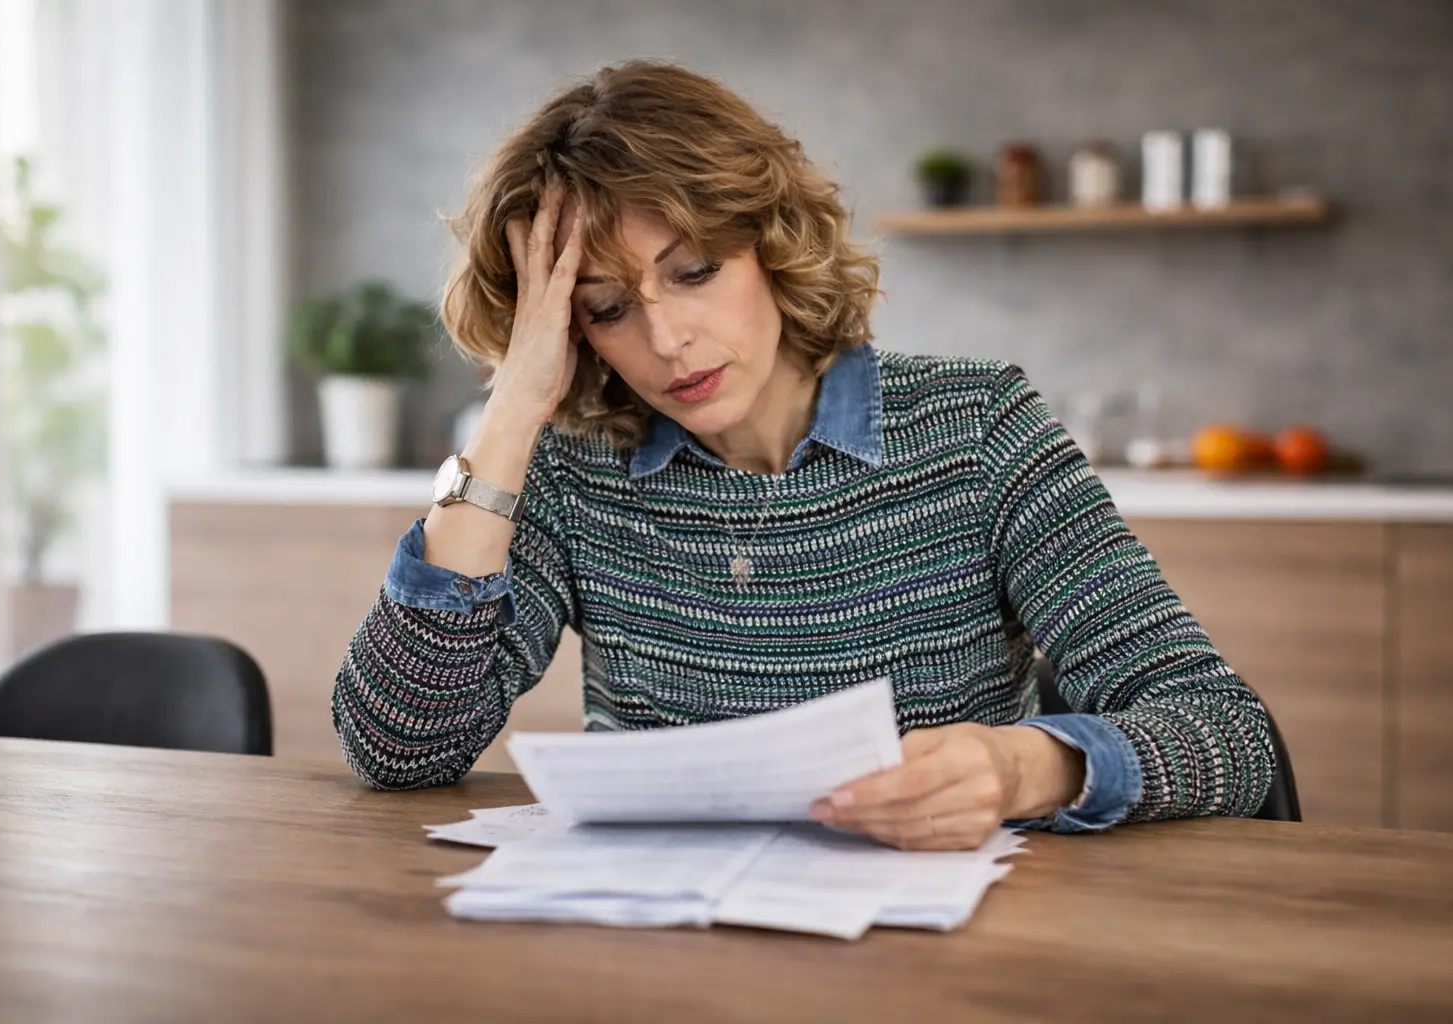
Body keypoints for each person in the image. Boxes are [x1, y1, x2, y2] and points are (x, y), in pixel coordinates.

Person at [332, 59, 1274, 851]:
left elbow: (1225, 734)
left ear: (771, 245)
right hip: (661, 951)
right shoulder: (574, 471)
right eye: (607, 308)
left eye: (693, 272)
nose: (667, 342)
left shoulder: (978, 427)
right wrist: (507, 419)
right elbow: (399, 750)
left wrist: (1022, 764)